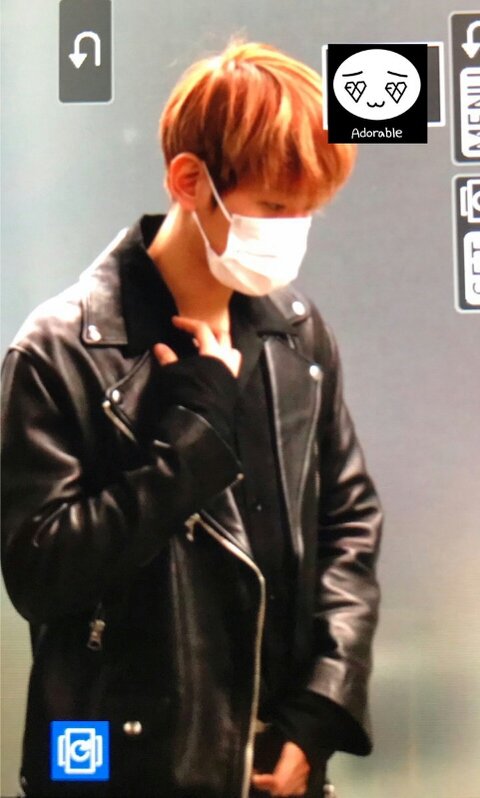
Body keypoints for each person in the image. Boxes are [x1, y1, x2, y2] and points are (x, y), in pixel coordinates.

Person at [1, 40, 382, 798]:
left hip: (278, 761)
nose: (294, 230)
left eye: (308, 210)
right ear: (189, 181)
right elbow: (41, 574)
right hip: (123, 765)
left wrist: (321, 709)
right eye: (274, 207)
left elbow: (348, 520)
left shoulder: (296, 334)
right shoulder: (60, 349)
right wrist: (192, 445)